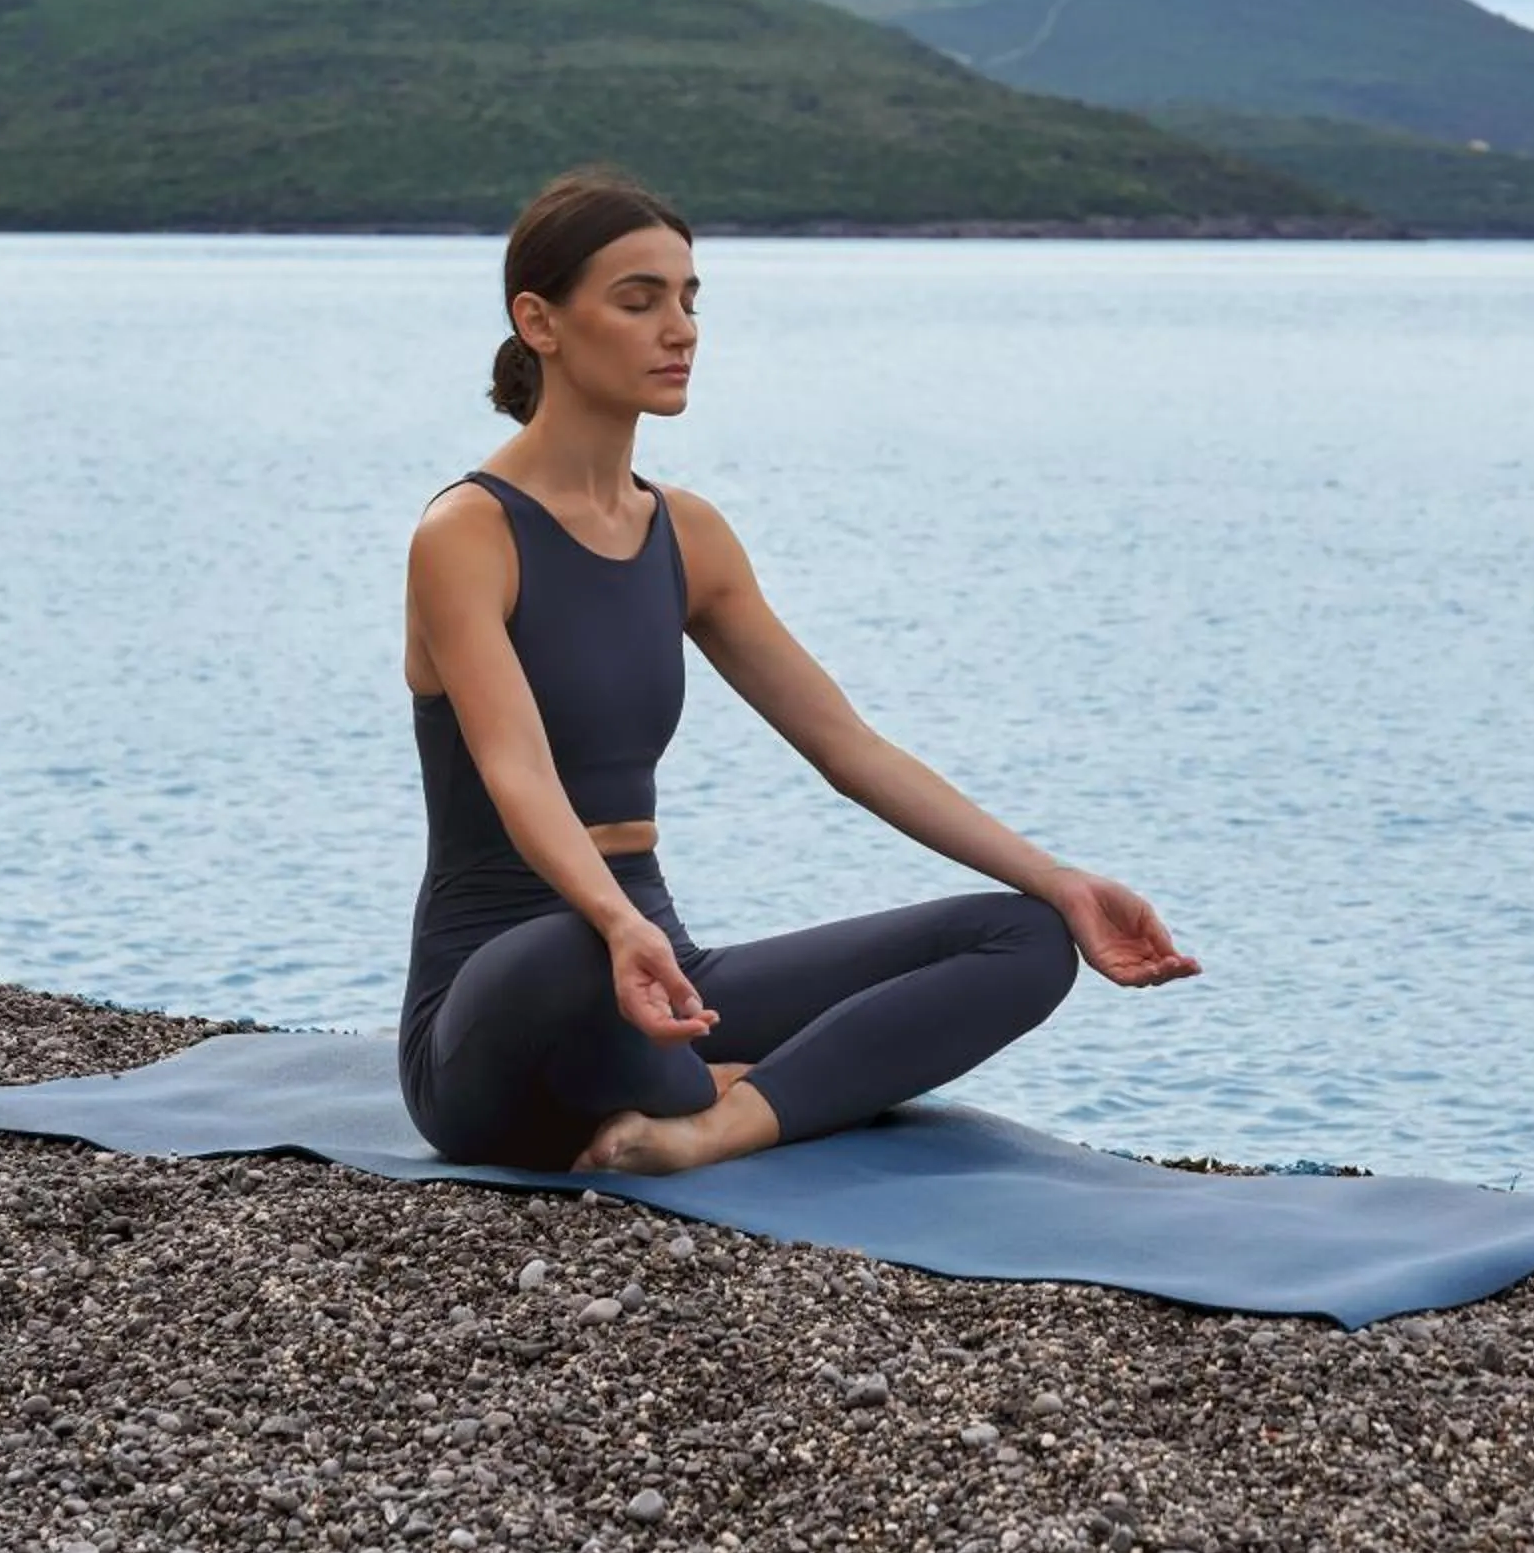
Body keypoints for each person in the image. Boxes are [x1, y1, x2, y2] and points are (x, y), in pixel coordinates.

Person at [398, 167, 1202, 1177]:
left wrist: (1060, 879)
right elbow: (516, 770)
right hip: (503, 996)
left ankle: (713, 1121)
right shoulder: (466, 534)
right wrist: (612, 921)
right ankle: (747, 1081)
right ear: (540, 322)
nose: (679, 329)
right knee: (574, 953)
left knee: (1024, 939)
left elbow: (846, 745)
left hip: (658, 966)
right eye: (638, 301)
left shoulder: (687, 535)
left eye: (689, 301)